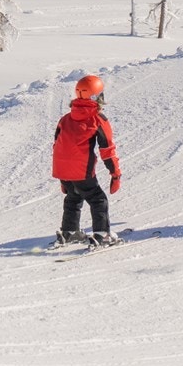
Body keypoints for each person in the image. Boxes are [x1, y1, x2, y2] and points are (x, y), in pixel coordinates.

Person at [51, 73, 123, 246]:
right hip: (81, 169)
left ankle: (69, 232)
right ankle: (102, 234)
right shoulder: (98, 119)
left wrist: (64, 177)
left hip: (62, 168)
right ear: (95, 97)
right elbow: (107, 150)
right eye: (101, 95)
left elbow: (58, 144)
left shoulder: (66, 119)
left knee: (73, 197)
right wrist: (115, 174)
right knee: (98, 200)